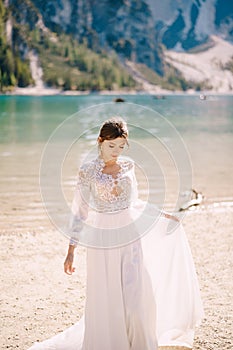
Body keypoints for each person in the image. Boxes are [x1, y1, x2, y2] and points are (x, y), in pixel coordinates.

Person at [29, 117, 204, 350]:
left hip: (130, 235)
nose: (116, 152)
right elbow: (79, 213)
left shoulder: (128, 167)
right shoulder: (87, 171)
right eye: (111, 146)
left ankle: (141, 344)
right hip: (103, 240)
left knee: (138, 296)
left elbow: (135, 202)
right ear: (100, 141)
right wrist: (71, 251)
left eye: (121, 146)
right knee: (107, 298)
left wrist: (165, 215)